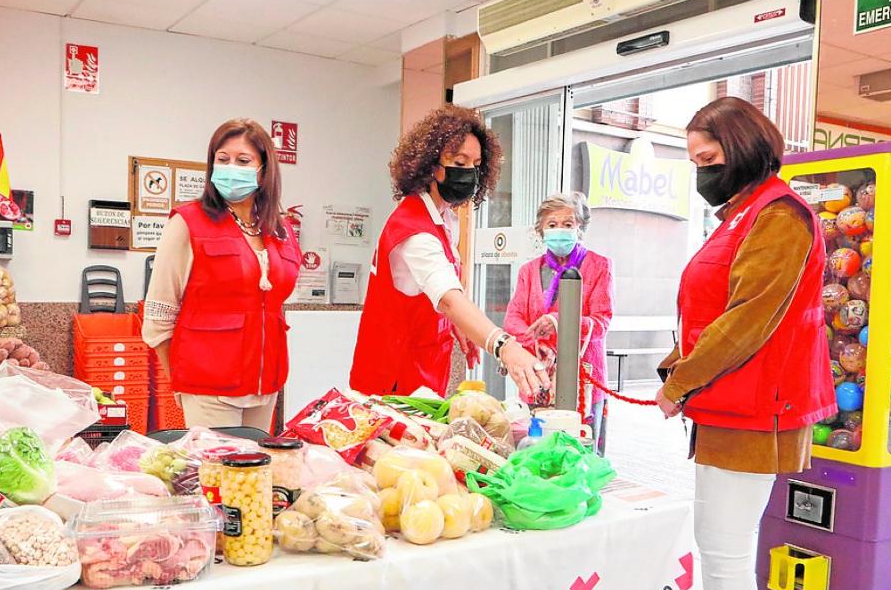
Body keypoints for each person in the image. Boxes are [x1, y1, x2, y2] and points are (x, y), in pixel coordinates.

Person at [656, 97, 835, 590]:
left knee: (727, 551)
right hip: (728, 406)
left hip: (758, 409)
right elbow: (710, 311)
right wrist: (676, 364)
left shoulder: (780, 217)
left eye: (708, 159)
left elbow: (746, 323)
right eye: (694, 162)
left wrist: (679, 384)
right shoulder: (741, 215)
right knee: (719, 545)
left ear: (742, 147)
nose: (701, 173)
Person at [350, 105, 550, 400]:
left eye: (476, 164)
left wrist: (461, 327)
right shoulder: (412, 229)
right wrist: (504, 346)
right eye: (459, 161)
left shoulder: (444, 219)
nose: (469, 172)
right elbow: (447, 298)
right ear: (431, 165)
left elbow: (437, 296)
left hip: (425, 368)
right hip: (393, 378)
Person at [142, 118, 301, 431]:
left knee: (253, 477)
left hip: (265, 383)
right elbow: (159, 314)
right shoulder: (188, 222)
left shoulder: (279, 230)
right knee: (219, 475)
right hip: (207, 387)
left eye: (243, 161)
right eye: (222, 159)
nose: (231, 168)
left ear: (263, 169)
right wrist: (178, 381)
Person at [503, 192, 614, 449]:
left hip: (584, 377)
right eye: (552, 225)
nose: (559, 230)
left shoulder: (599, 266)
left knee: (581, 450)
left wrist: (557, 321)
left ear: (580, 228)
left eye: (568, 224)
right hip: (539, 374)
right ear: (541, 230)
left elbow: (602, 321)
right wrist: (536, 345)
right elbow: (513, 318)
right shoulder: (529, 271)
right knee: (538, 449)